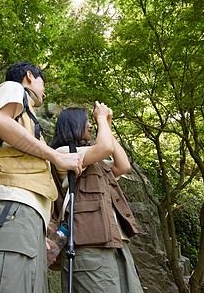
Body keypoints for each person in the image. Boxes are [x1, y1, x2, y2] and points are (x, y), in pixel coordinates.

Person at [0, 61, 83, 293]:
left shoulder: (28, 117)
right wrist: (55, 157)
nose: (45, 90)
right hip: (11, 206)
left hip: (23, 216)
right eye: (43, 82)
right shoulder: (13, 88)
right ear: (30, 76)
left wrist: (39, 229)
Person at [50, 102, 143, 293]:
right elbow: (104, 148)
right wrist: (100, 118)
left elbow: (123, 166)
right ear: (73, 125)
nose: (91, 125)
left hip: (116, 243)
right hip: (88, 247)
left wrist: (106, 125)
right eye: (86, 121)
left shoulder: (96, 162)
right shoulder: (64, 154)